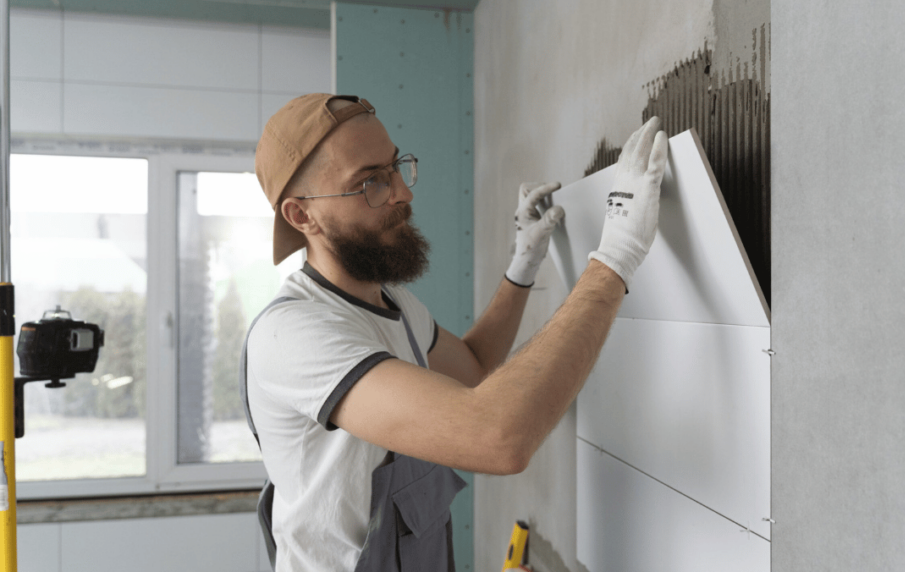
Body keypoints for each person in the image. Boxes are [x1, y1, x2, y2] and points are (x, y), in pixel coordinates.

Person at [243, 93, 668, 572]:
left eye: (396, 167)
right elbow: (496, 437)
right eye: (370, 182)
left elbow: (474, 368)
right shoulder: (290, 335)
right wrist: (615, 258)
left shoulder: (393, 305)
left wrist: (523, 265)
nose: (402, 193)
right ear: (302, 216)